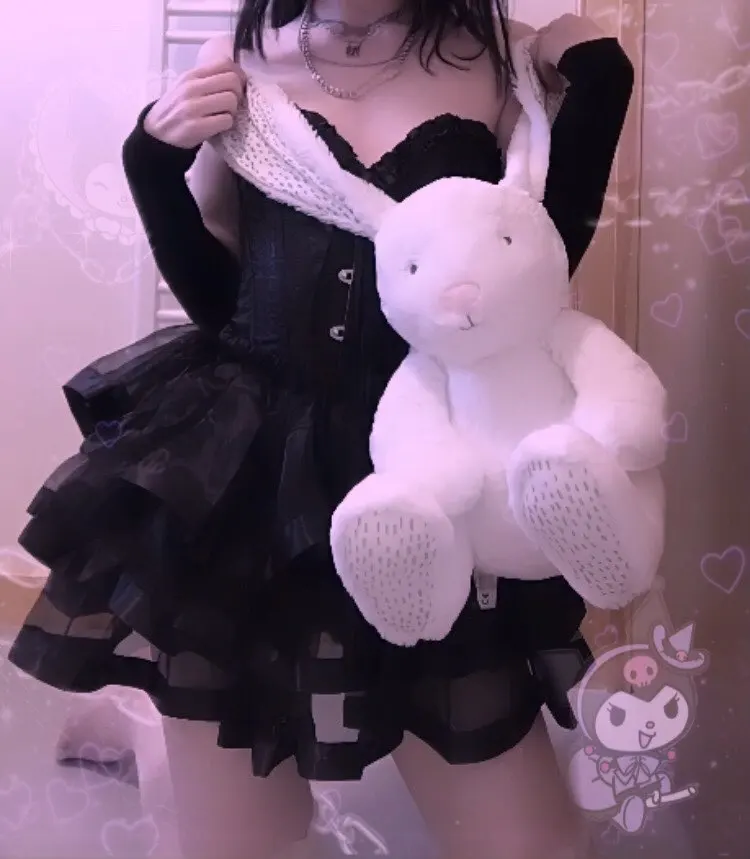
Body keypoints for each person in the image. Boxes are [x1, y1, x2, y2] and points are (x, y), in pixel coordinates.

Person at [10, 2, 635, 857]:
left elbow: (530, 279)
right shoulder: (238, 57)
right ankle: (143, 729)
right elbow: (222, 299)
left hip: (429, 458)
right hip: (253, 462)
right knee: (239, 843)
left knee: (535, 848)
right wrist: (150, 163)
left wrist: (601, 87)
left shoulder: (500, 60)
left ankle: (143, 726)